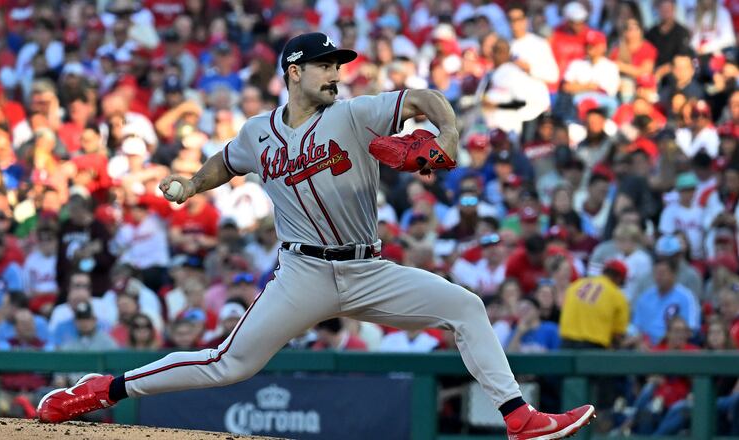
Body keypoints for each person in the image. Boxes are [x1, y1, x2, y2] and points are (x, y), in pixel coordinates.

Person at [37, 32, 595, 438]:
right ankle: (101, 389)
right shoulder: (260, 132)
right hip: (302, 273)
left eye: (338, 65)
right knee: (229, 364)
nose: (335, 73)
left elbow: (424, 99)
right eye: (325, 65)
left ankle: (518, 417)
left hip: (367, 269)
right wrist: (188, 186)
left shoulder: (354, 115)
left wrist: (445, 132)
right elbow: (225, 163)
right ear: (294, 72)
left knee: (467, 306)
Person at [560, 260, 630, 349]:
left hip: (566, 343)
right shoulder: (618, 296)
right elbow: (617, 335)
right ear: (619, 278)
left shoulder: (575, 285)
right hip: (594, 346)